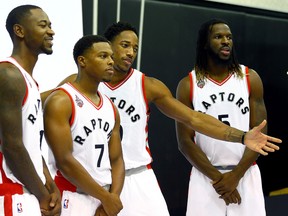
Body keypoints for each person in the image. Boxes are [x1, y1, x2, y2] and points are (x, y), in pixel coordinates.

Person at [54, 21, 281, 215]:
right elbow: (36, 105)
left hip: (138, 176)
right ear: (106, 46)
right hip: (91, 182)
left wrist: (242, 137)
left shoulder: (147, 85)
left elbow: (194, 119)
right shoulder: (73, 87)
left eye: (135, 47)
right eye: (125, 45)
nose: (131, 52)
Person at [176, 18, 269, 215]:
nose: (226, 41)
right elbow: (185, 142)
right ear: (205, 43)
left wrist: (235, 175)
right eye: (218, 37)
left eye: (229, 37)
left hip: (245, 172)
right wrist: (219, 179)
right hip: (206, 176)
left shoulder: (250, 77)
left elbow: (260, 133)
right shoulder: (188, 84)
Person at [43, 35, 125, 216]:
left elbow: (117, 159)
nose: (111, 61)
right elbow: (64, 161)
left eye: (111, 56)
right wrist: (106, 197)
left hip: (103, 199)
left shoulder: (110, 107)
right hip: (72, 197)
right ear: (82, 61)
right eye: (103, 56)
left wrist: (112, 199)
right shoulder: (61, 100)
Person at [0, 4, 61, 216]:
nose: (51, 31)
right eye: (43, 25)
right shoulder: (8, 74)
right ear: (19, 31)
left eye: (50, 25)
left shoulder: (30, 82)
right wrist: (44, 196)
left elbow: (31, 143)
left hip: (28, 192)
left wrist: (49, 183)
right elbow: (13, 147)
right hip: (10, 193)